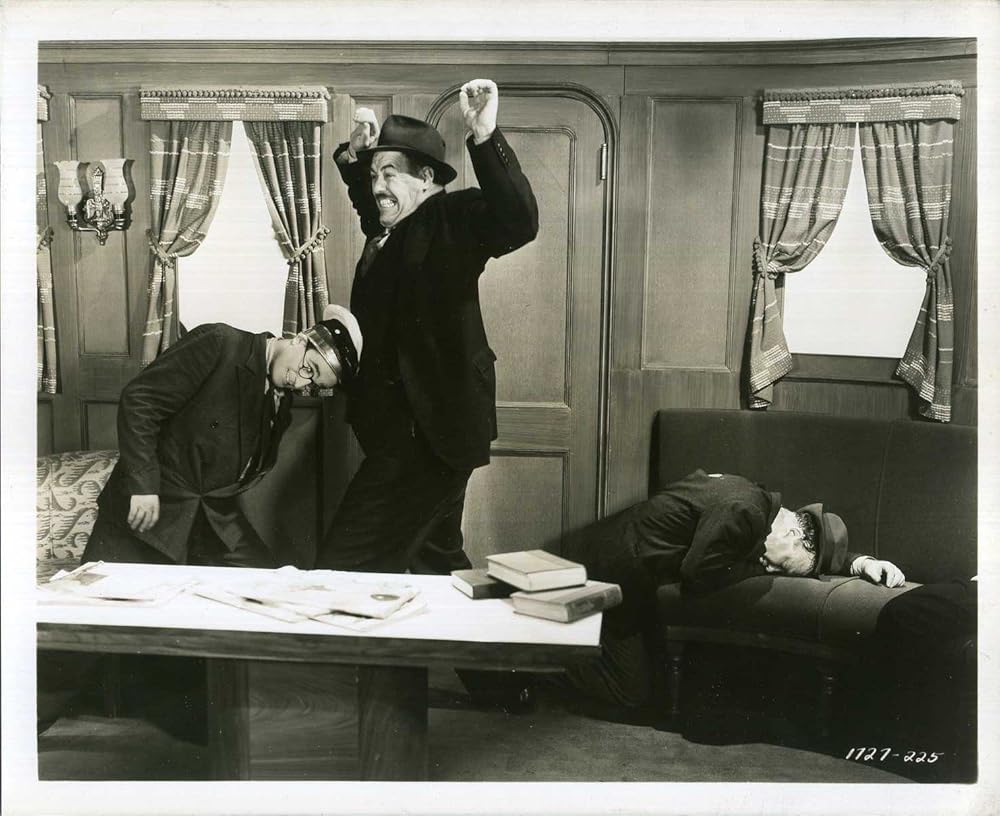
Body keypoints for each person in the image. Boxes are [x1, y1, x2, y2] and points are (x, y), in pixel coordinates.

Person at [316, 79, 538, 576]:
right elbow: (375, 211)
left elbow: (518, 222)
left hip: (427, 438)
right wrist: (357, 159)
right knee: (436, 564)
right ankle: (474, 630)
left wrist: (485, 136)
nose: (378, 186)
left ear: (427, 179)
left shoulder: (449, 218)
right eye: (375, 175)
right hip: (414, 433)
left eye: (390, 174)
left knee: (343, 567)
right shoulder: (396, 228)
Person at [554, 469, 906, 708]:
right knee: (632, 693)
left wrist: (860, 563)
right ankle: (543, 661)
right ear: (793, 534)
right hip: (606, 573)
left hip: (627, 572)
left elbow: (810, 554)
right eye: (780, 566)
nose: (770, 568)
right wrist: (757, 568)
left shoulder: (758, 504)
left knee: (649, 683)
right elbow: (698, 574)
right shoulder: (744, 511)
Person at [84, 304, 362, 568]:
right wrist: (143, 487)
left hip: (212, 517)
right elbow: (139, 401)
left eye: (313, 384)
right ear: (300, 339)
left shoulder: (280, 397)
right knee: (105, 599)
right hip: (149, 511)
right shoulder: (219, 343)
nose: (301, 382)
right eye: (309, 368)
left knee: (268, 585)